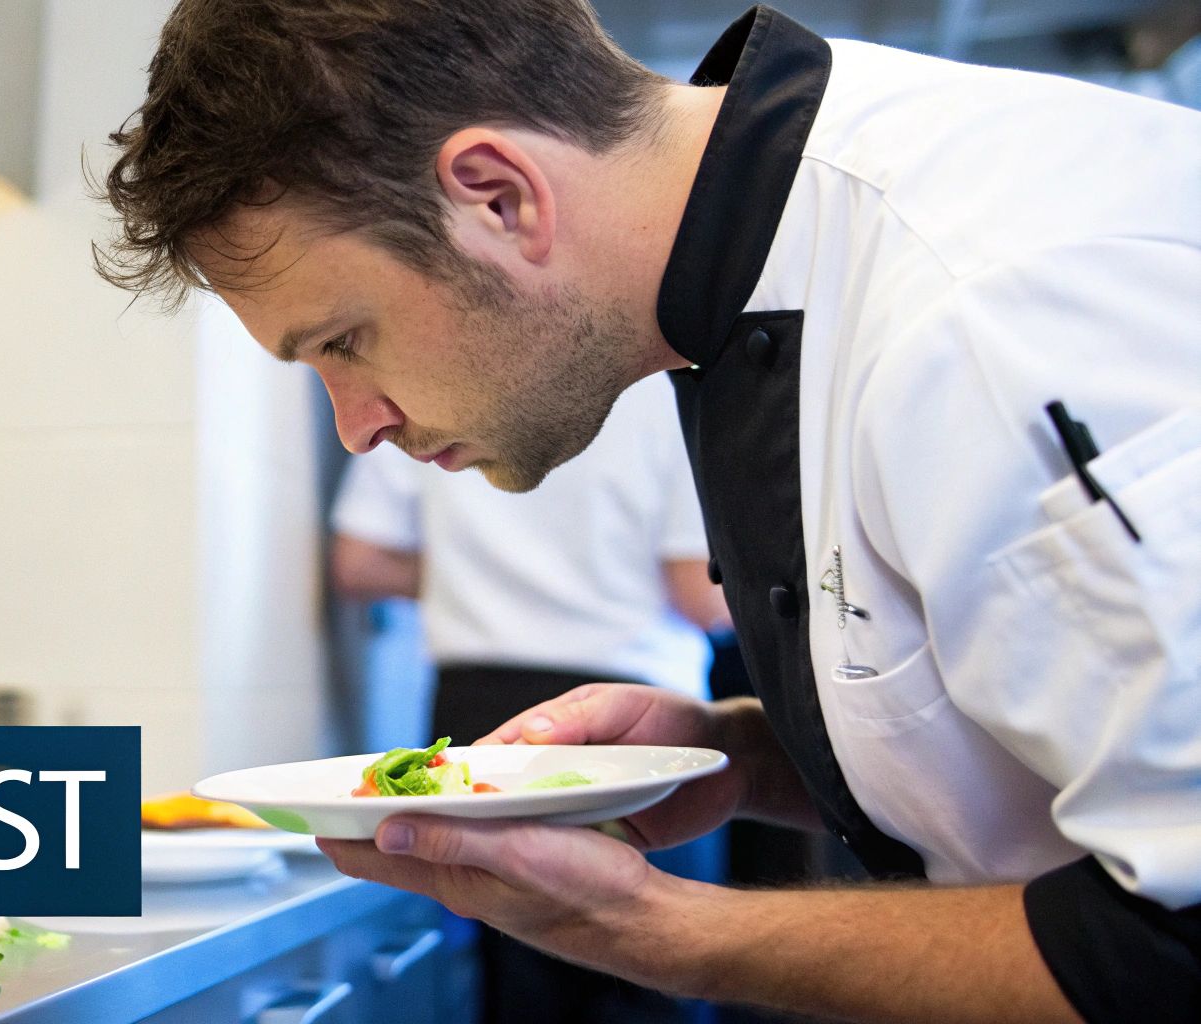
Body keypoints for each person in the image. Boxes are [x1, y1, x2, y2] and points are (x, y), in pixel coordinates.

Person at [93, 2, 1201, 1022]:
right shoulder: (757, 269)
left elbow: (1177, 937)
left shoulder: (988, 309)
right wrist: (734, 758)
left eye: (343, 341)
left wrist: (648, 930)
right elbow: (1036, 724)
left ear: (496, 193)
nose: (355, 427)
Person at [331, 373, 729, 1024]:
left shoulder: (410, 381)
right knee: (657, 976)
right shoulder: (669, 384)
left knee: (519, 985)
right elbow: (699, 592)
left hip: (477, 709)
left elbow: (359, 563)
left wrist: (481, 581)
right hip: (638, 725)